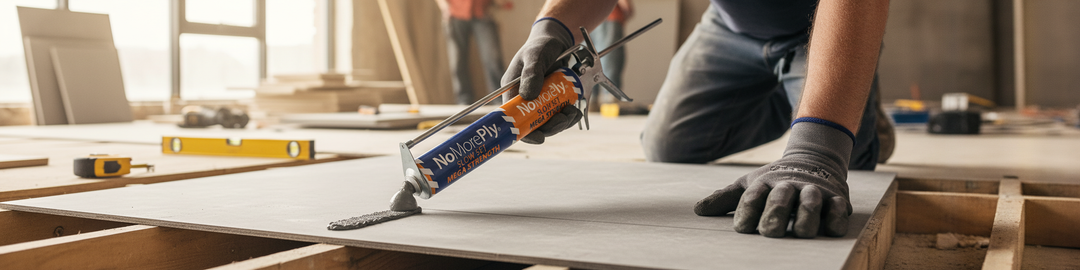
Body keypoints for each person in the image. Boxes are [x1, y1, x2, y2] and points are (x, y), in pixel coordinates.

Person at [501, 0, 892, 238]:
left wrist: (816, 150)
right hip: (731, 26)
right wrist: (551, 28)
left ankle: (852, 109)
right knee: (668, 144)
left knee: (842, 167)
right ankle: (803, 102)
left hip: (823, 24)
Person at [436, 0, 512, 105]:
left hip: (483, 14)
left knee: (493, 59)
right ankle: (463, 100)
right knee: (457, 61)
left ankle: (500, 98)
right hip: (455, 15)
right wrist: (445, 7)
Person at [588, 0, 633, 107]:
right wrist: (627, 10)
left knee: (590, 57)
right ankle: (610, 96)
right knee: (611, 56)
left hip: (587, 18)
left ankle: (590, 98)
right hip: (610, 15)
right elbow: (627, 8)